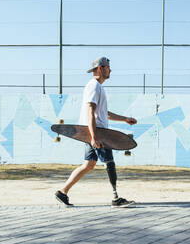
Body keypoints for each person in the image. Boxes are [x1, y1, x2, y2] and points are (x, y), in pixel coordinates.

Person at [55, 57, 137, 208]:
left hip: (94, 132)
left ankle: (62, 191)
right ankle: (116, 198)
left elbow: (103, 113)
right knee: (109, 163)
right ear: (100, 68)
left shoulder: (97, 87)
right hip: (98, 133)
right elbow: (90, 111)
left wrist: (124, 119)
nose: (110, 70)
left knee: (89, 165)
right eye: (108, 67)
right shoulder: (93, 86)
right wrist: (94, 137)